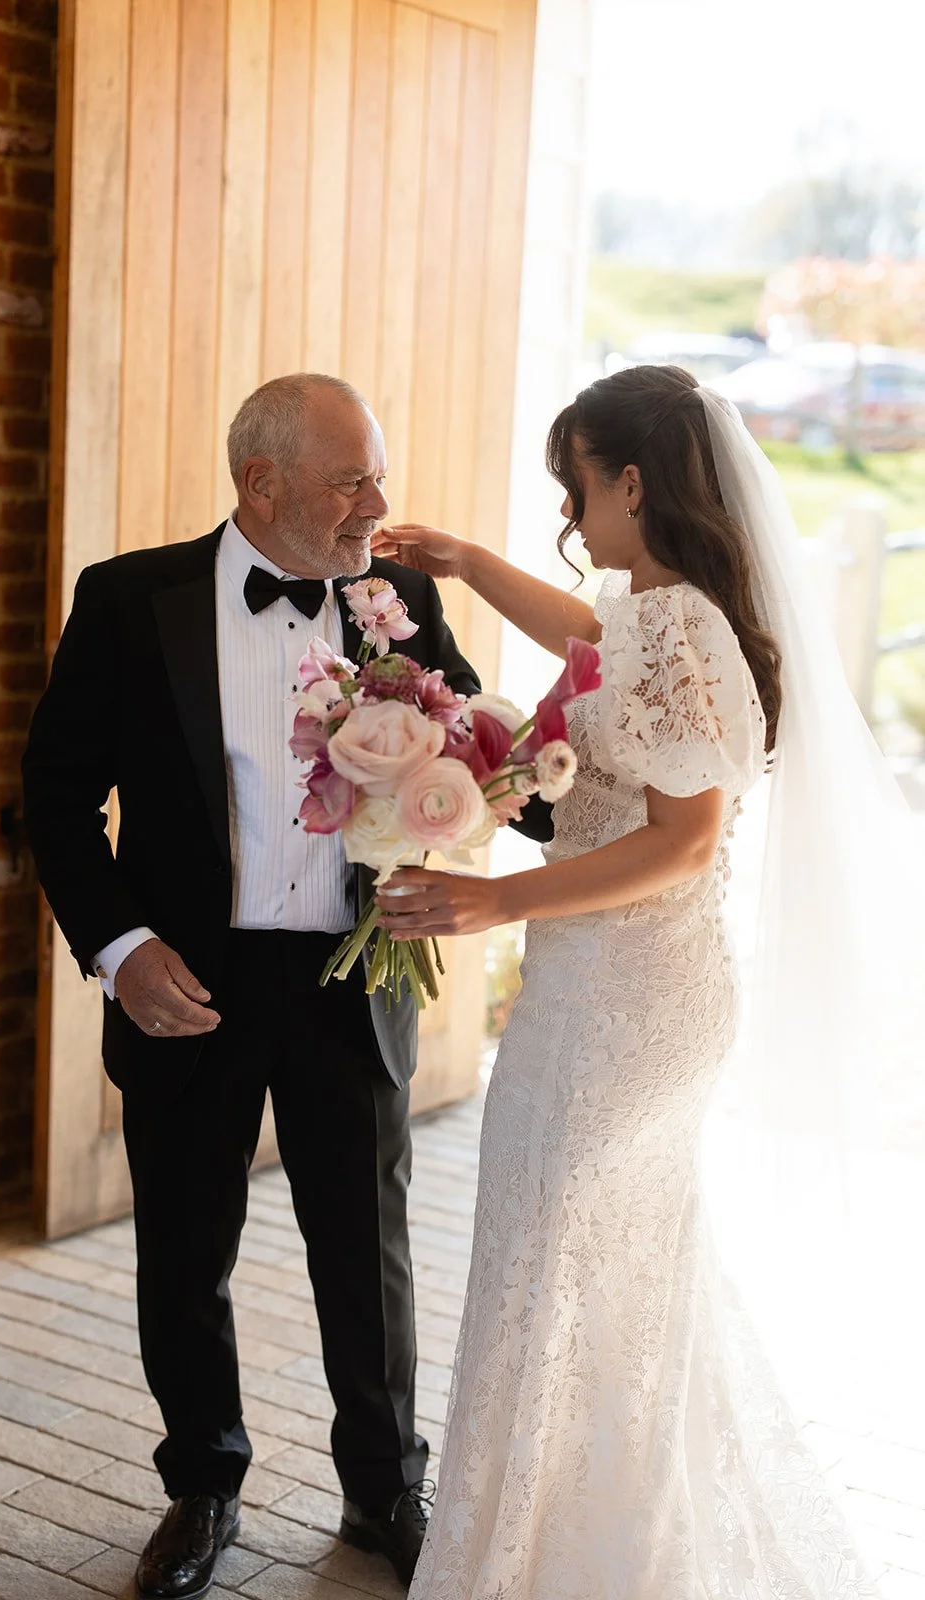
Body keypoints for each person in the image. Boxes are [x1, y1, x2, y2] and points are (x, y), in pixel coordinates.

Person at [370, 365, 885, 1598]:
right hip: (625, 989)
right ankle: (588, 1532)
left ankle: (546, 1555)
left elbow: (682, 838)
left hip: (620, 1005)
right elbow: (591, 637)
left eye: (577, 483)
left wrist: (497, 901)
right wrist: (465, 560)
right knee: (597, 1269)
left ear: (634, 484)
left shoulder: (680, 624)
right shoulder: (670, 609)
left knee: (552, 1260)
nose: (569, 510)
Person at [23, 374, 499, 1599]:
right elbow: (56, 802)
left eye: (375, 475)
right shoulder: (130, 601)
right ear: (260, 483)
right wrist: (121, 950)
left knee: (366, 1249)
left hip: (351, 976)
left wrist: (554, 770)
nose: (376, 504)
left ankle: (386, 1484)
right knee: (185, 1247)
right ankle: (202, 1484)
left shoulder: (400, 599)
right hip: (192, 980)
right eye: (352, 480)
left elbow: (475, 752)